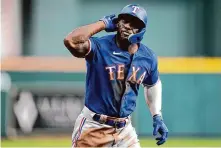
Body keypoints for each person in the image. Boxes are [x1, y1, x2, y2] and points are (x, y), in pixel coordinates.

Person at [64, 4, 168, 147]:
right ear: (117, 23)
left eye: (134, 23)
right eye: (124, 20)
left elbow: (152, 84)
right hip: (94, 127)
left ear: (141, 30)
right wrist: (103, 23)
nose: (127, 26)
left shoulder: (148, 57)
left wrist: (157, 116)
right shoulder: (100, 47)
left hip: (124, 130)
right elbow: (71, 40)